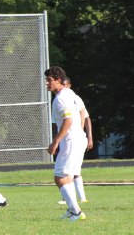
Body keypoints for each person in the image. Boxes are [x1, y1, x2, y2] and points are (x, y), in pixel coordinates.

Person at [45, 66, 87, 222]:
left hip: (70, 140)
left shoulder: (61, 98)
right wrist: (80, 131)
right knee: (66, 175)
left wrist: (55, 142)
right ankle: (72, 210)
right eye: (46, 80)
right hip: (77, 138)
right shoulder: (71, 93)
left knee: (59, 177)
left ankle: (76, 213)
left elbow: (67, 121)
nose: (47, 83)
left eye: (49, 80)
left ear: (58, 81)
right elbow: (82, 111)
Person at [57, 77, 93, 205]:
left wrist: (88, 136)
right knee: (72, 171)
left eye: (66, 85)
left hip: (73, 138)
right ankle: (75, 201)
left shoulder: (71, 98)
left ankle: (75, 203)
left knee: (67, 173)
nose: (64, 87)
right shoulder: (67, 98)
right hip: (74, 138)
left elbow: (82, 116)